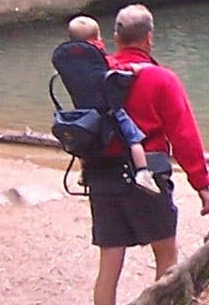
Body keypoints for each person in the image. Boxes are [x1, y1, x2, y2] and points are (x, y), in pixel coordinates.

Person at [90, 4, 209, 305]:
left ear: (116, 38)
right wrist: (202, 185)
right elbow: (184, 135)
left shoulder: (97, 75)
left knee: (109, 264)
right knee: (166, 256)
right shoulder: (162, 79)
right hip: (148, 177)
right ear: (149, 38)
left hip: (102, 175)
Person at [51, 15, 165, 196]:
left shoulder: (68, 60)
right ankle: (143, 173)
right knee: (134, 138)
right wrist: (136, 69)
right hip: (108, 110)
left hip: (84, 112)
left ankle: (85, 172)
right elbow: (117, 70)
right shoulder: (98, 58)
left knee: (86, 140)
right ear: (97, 38)